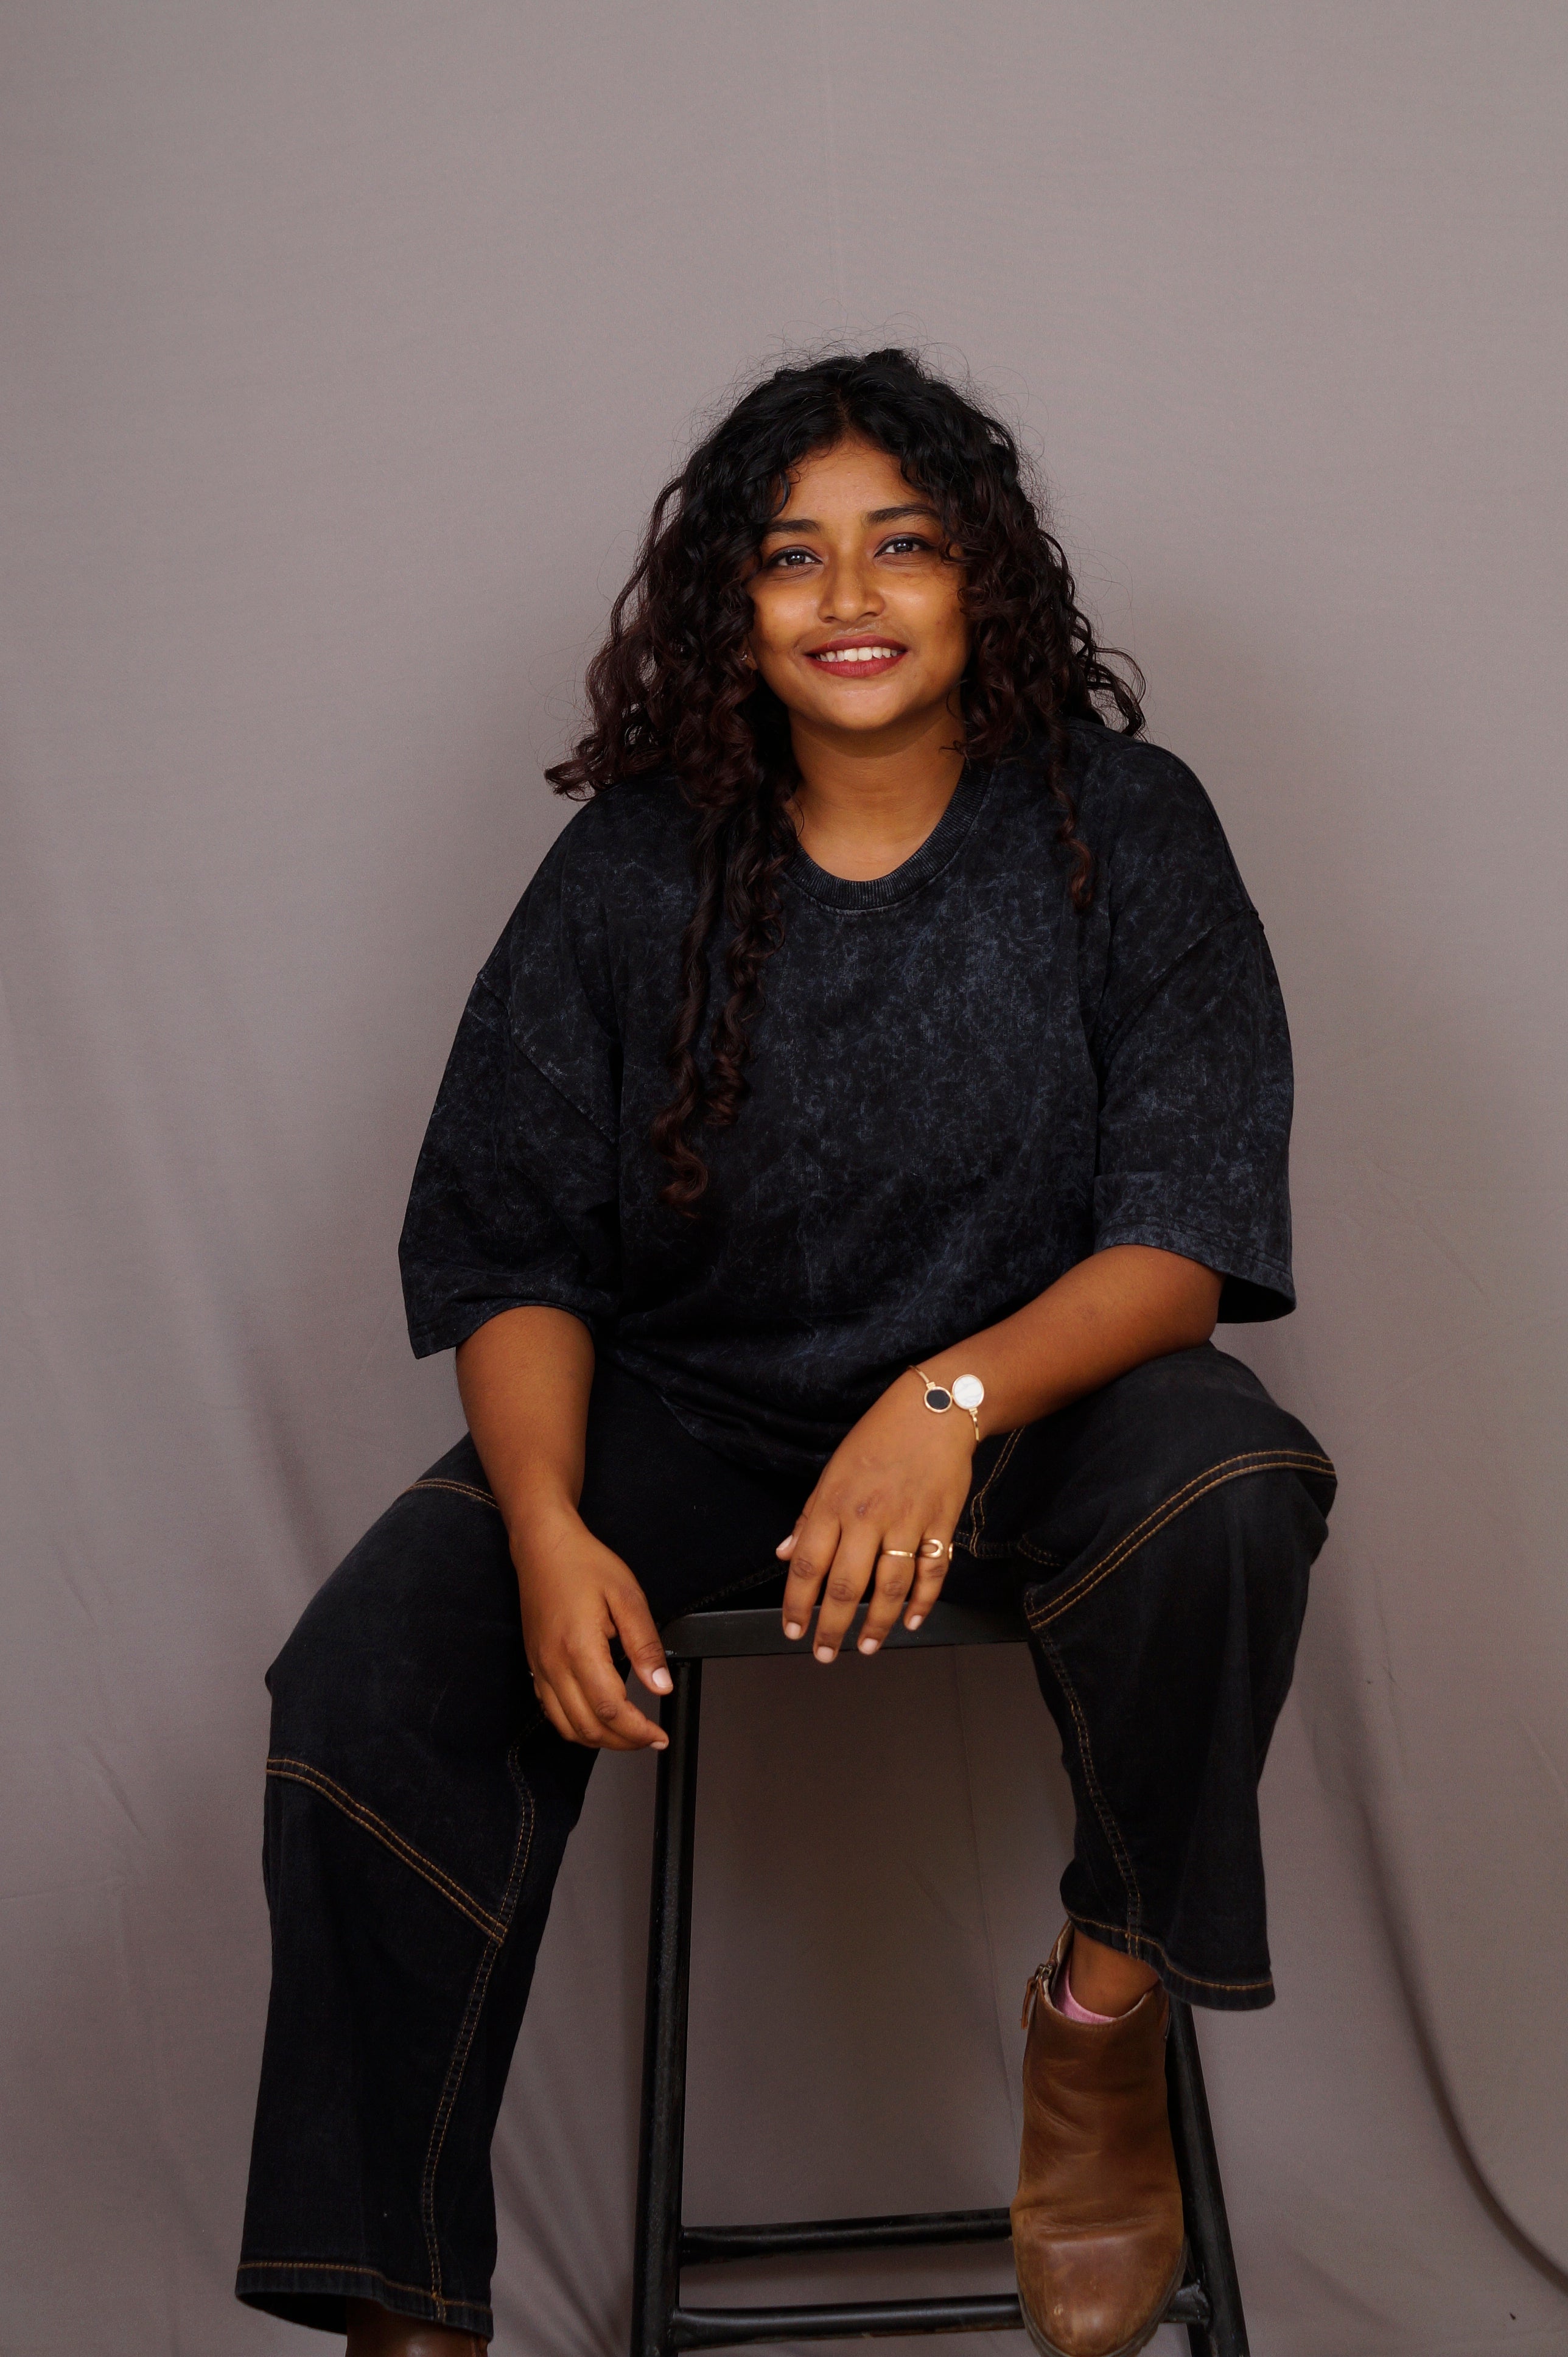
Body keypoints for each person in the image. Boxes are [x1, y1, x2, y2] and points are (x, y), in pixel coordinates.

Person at [236, 349, 1335, 2357]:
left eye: (900, 546)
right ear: (730, 608)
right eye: (790, 556)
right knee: (370, 1675)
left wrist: (947, 1402)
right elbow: (509, 1244)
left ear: (981, 577)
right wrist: (546, 1524)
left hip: (1047, 1408)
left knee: (1234, 1488)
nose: (848, 597)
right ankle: (410, 2319)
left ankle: (1102, 2016)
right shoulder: (633, 868)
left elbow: (1181, 1245)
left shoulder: (1126, 827)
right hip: (698, 1416)